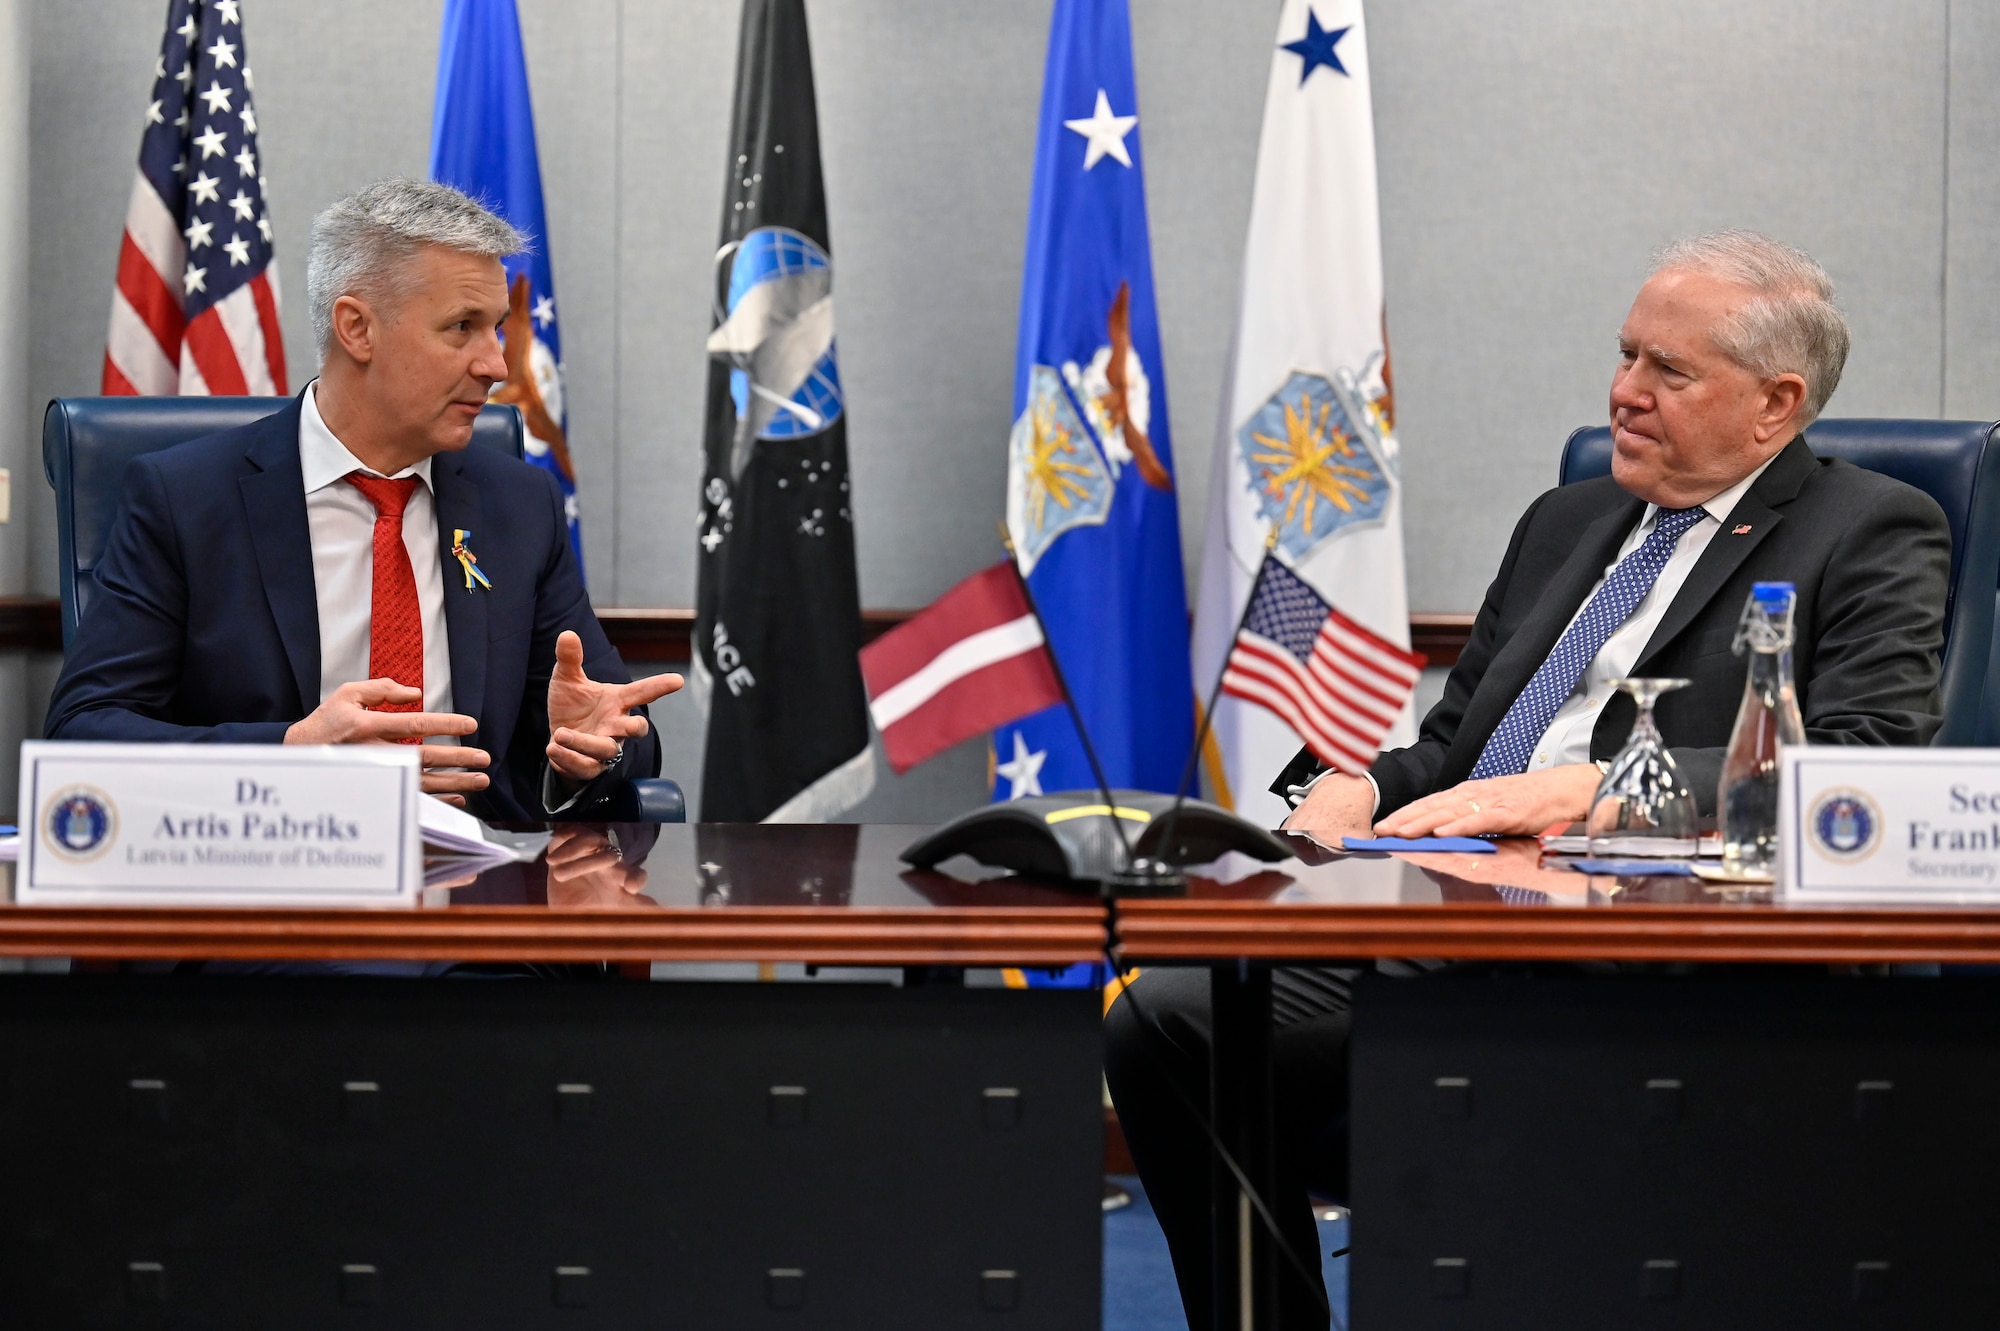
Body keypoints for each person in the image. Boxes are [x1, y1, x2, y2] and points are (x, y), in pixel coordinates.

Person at [1106, 230, 1953, 1327]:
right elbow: (1460, 750)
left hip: (1647, 952)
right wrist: (1365, 781)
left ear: (1773, 401)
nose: (1622, 391)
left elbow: (1863, 766)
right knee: (1167, 1018)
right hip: (1450, 913)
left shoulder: (1870, 528)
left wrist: (1598, 790)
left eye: (1668, 370)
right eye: (1625, 355)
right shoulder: (1568, 519)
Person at [45, 179, 677, 822]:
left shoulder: (520, 506)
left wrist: (592, 748)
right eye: (463, 327)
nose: (496, 366)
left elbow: (609, 724)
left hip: (475, 888)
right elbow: (83, 735)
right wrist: (294, 754)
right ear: (357, 328)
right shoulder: (185, 500)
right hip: (269, 881)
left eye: (498, 330)